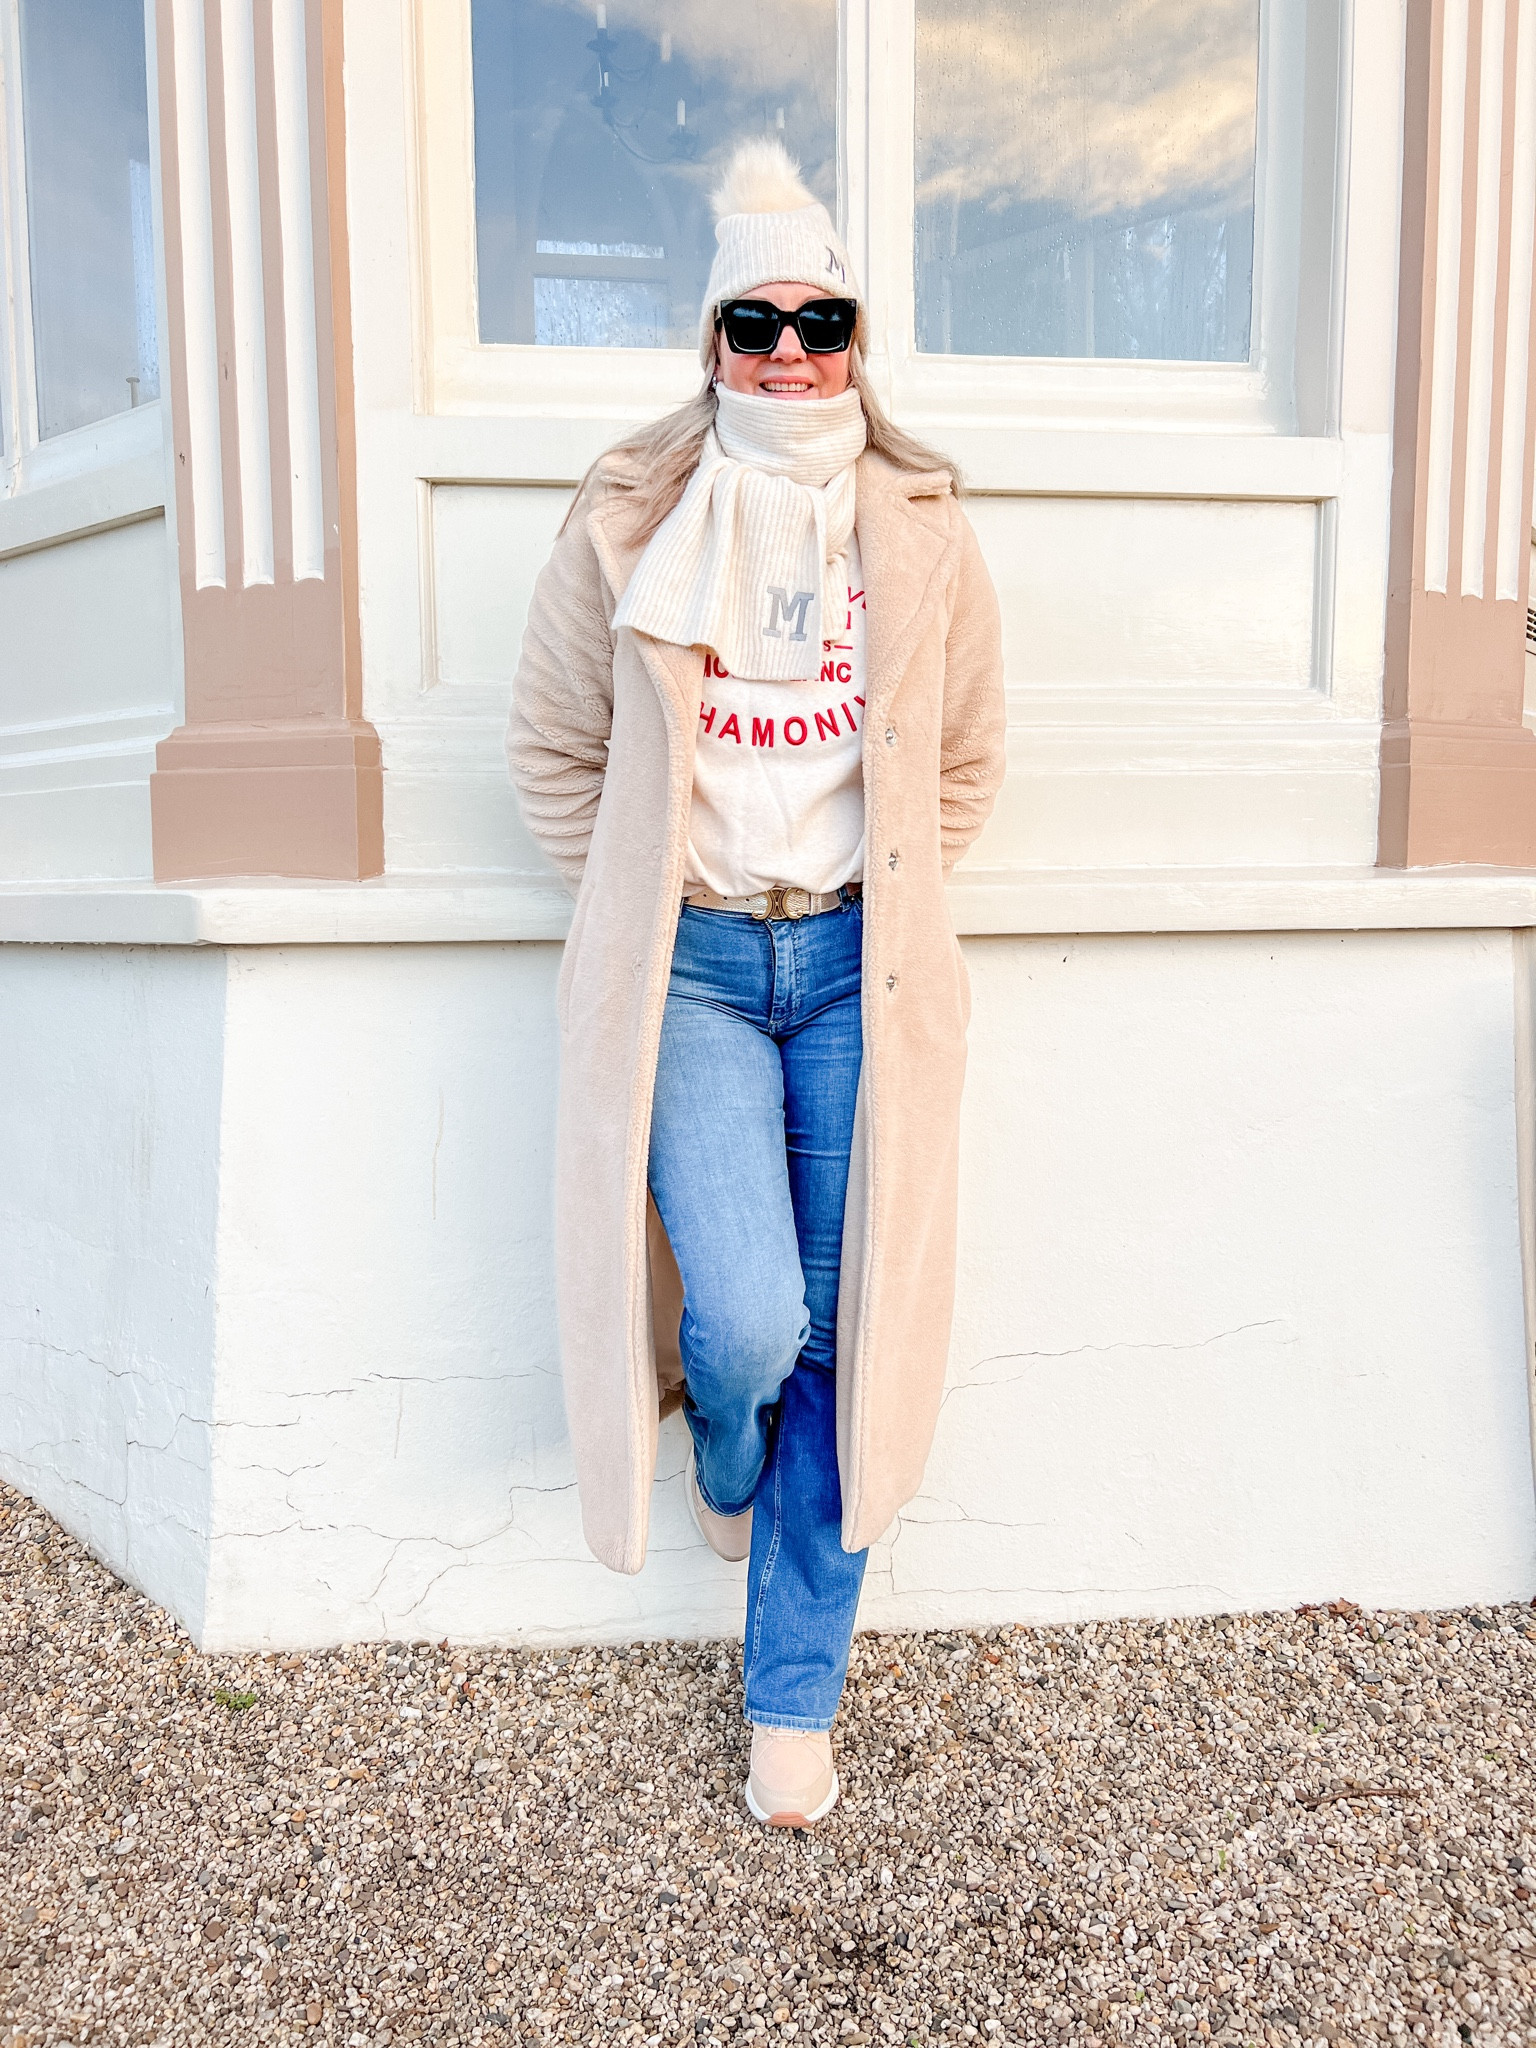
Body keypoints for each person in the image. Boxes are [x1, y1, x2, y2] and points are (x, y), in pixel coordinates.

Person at [507, 138, 1006, 1828]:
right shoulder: (630, 523)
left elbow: (964, 761)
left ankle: (793, 1693)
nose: (790, 352)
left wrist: (901, 891)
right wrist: (640, 898)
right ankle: (720, 1446)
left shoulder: (923, 534)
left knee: (847, 1335)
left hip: (860, 965)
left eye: (822, 321)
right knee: (749, 1321)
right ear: (710, 340)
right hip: (703, 972)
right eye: (755, 323)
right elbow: (554, 753)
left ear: (858, 342)